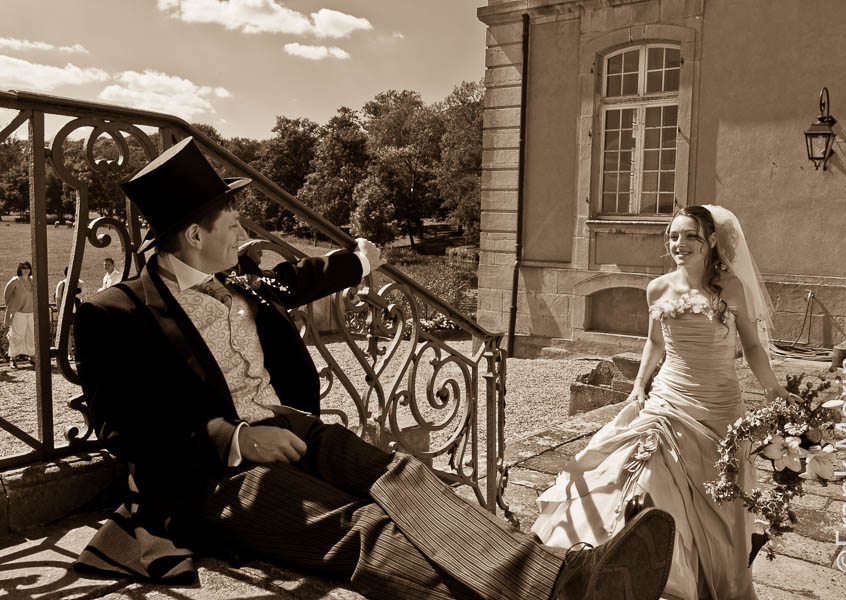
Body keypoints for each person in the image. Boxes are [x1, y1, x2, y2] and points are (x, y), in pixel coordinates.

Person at [72, 137, 677, 600]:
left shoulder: (236, 281)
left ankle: (556, 576)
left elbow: (296, 278)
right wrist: (234, 438)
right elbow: (122, 428)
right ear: (196, 233)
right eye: (233, 223)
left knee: (401, 476)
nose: (245, 231)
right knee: (360, 525)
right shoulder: (114, 314)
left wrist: (357, 263)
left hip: (290, 426)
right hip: (209, 479)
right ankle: (555, 590)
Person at [531, 205, 789, 600]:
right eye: (673, 236)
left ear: (711, 241)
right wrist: (638, 385)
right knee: (644, 477)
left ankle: (710, 578)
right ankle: (650, 576)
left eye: (690, 236)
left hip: (719, 407)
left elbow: (752, 346)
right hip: (667, 400)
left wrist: (772, 388)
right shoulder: (658, 288)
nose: (679, 244)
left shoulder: (731, 288)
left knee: (718, 501)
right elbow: (654, 342)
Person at [4, 260, 35, 368]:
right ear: (19, 269)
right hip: (19, 313)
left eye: (27, 267)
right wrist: (11, 308)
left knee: (31, 336)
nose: (26, 270)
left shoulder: (32, 281)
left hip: (31, 313)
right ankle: (12, 358)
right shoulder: (15, 281)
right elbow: (7, 296)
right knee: (17, 336)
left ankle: (32, 356)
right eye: (23, 268)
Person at [55, 266, 83, 360]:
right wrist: (60, 313)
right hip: (66, 311)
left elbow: (84, 297)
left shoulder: (81, 283)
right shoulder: (62, 283)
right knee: (67, 333)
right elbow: (58, 299)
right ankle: (69, 352)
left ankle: (78, 352)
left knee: (77, 331)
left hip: (78, 310)